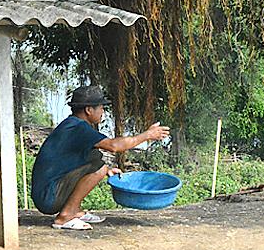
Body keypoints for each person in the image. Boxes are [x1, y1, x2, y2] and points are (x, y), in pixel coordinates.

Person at [31, 85, 170, 230]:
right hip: (48, 196)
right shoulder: (78, 128)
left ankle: (75, 211)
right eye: (101, 108)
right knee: (99, 168)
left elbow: (77, 160)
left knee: (98, 162)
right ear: (89, 110)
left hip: (47, 193)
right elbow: (114, 146)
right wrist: (147, 135)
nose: (103, 111)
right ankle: (65, 216)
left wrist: (108, 170)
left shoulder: (73, 125)